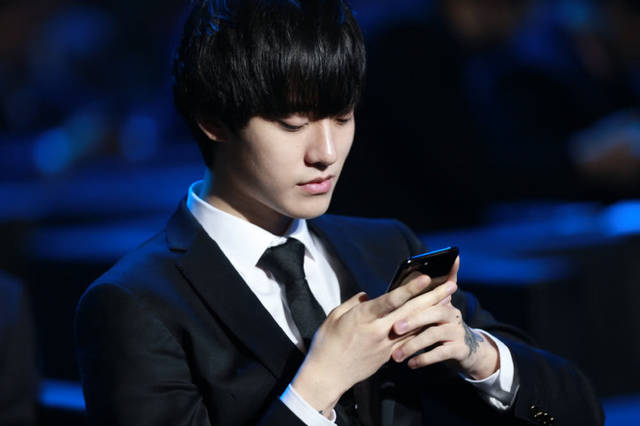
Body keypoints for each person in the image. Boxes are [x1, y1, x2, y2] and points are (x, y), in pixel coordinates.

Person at [74, 1, 603, 425]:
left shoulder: (387, 247)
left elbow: (577, 413)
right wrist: (314, 388)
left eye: (342, 117)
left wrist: (478, 356)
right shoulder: (134, 304)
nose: (326, 152)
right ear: (213, 119)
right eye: (292, 124)